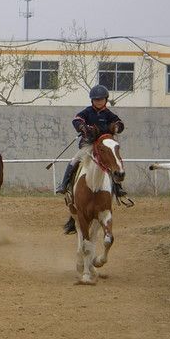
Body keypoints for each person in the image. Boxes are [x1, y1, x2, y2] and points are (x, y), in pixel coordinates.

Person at [55, 84, 125, 234]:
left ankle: (117, 187)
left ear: (106, 100)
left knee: (114, 162)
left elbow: (120, 123)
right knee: (74, 160)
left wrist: (117, 128)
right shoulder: (87, 112)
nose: (98, 102)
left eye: (101, 99)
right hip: (89, 146)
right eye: (95, 99)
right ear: (92, 100)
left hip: (104, 148)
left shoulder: (109, 114)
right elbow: (77, 120)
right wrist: (82, 127)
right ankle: (64, 183)